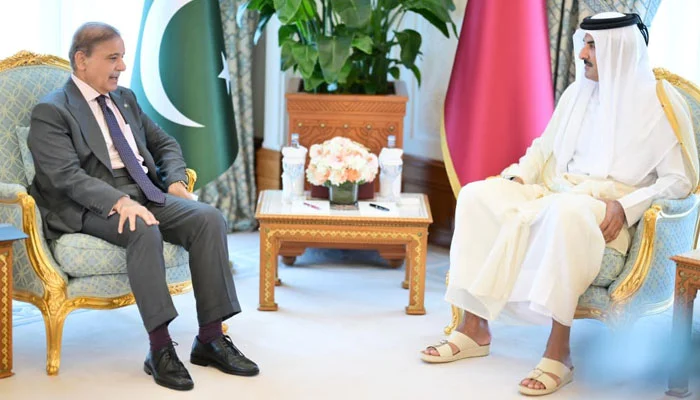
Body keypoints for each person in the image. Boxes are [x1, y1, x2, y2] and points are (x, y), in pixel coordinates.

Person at [420, 12, 699, 396]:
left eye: (592, 46)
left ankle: (558, 352)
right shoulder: (576, 94)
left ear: (618, 49)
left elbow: (679, 181)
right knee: (476, 195)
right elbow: (542, 149)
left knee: (566, 213)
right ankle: (473, 328)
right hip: (558, 192)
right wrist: (518, 178)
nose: (582, 54)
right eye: (584, 44)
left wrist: (626, 206)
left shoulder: (658, 104)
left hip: (608, 210)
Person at [27, 22, 259, 391]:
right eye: (112, 58)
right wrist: (119, 201)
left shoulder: (125, 99)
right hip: (90, 203)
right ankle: (160, 349)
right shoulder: (52, 110)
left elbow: (165, 143)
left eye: (122, 57)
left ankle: (211, 339)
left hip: (146, 190)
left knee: (209, 219)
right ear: (82, 60)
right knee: (142, 228)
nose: (121, 66)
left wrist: (176, 181)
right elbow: (65, 177)